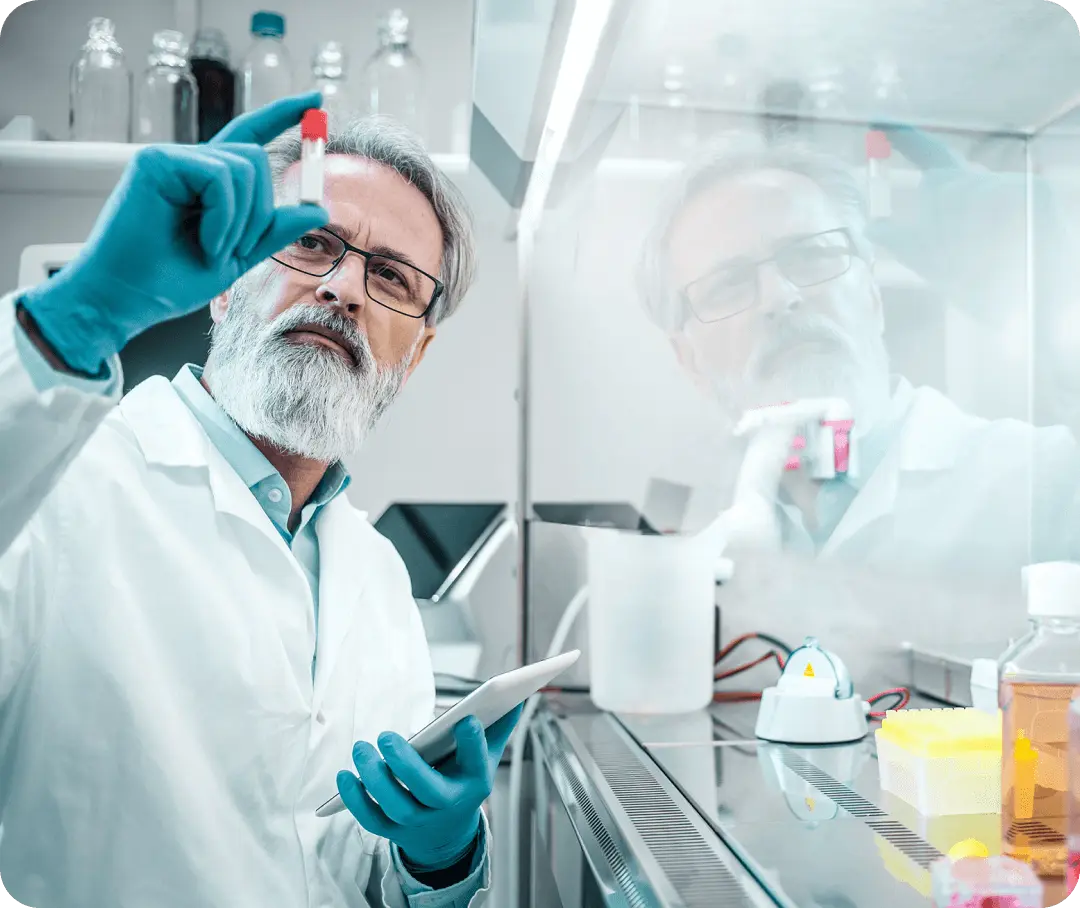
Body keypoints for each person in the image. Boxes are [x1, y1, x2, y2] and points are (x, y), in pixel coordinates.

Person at [0, 92, 519, 908]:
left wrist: (438, 860)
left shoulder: (377, 580)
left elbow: (348, 867)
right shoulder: (59, 484)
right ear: (223, 285)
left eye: (389, 276)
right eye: (312, 242)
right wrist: (80, 314)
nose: (346, 289)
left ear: (413, 357)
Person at [639, 134, 1079, 580]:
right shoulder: (692, 564)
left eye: (810, 254)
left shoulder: (1045, 480)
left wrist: (1059, 306)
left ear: (872, 294)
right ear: (688, 359)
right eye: (729, 284)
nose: (780, 295)